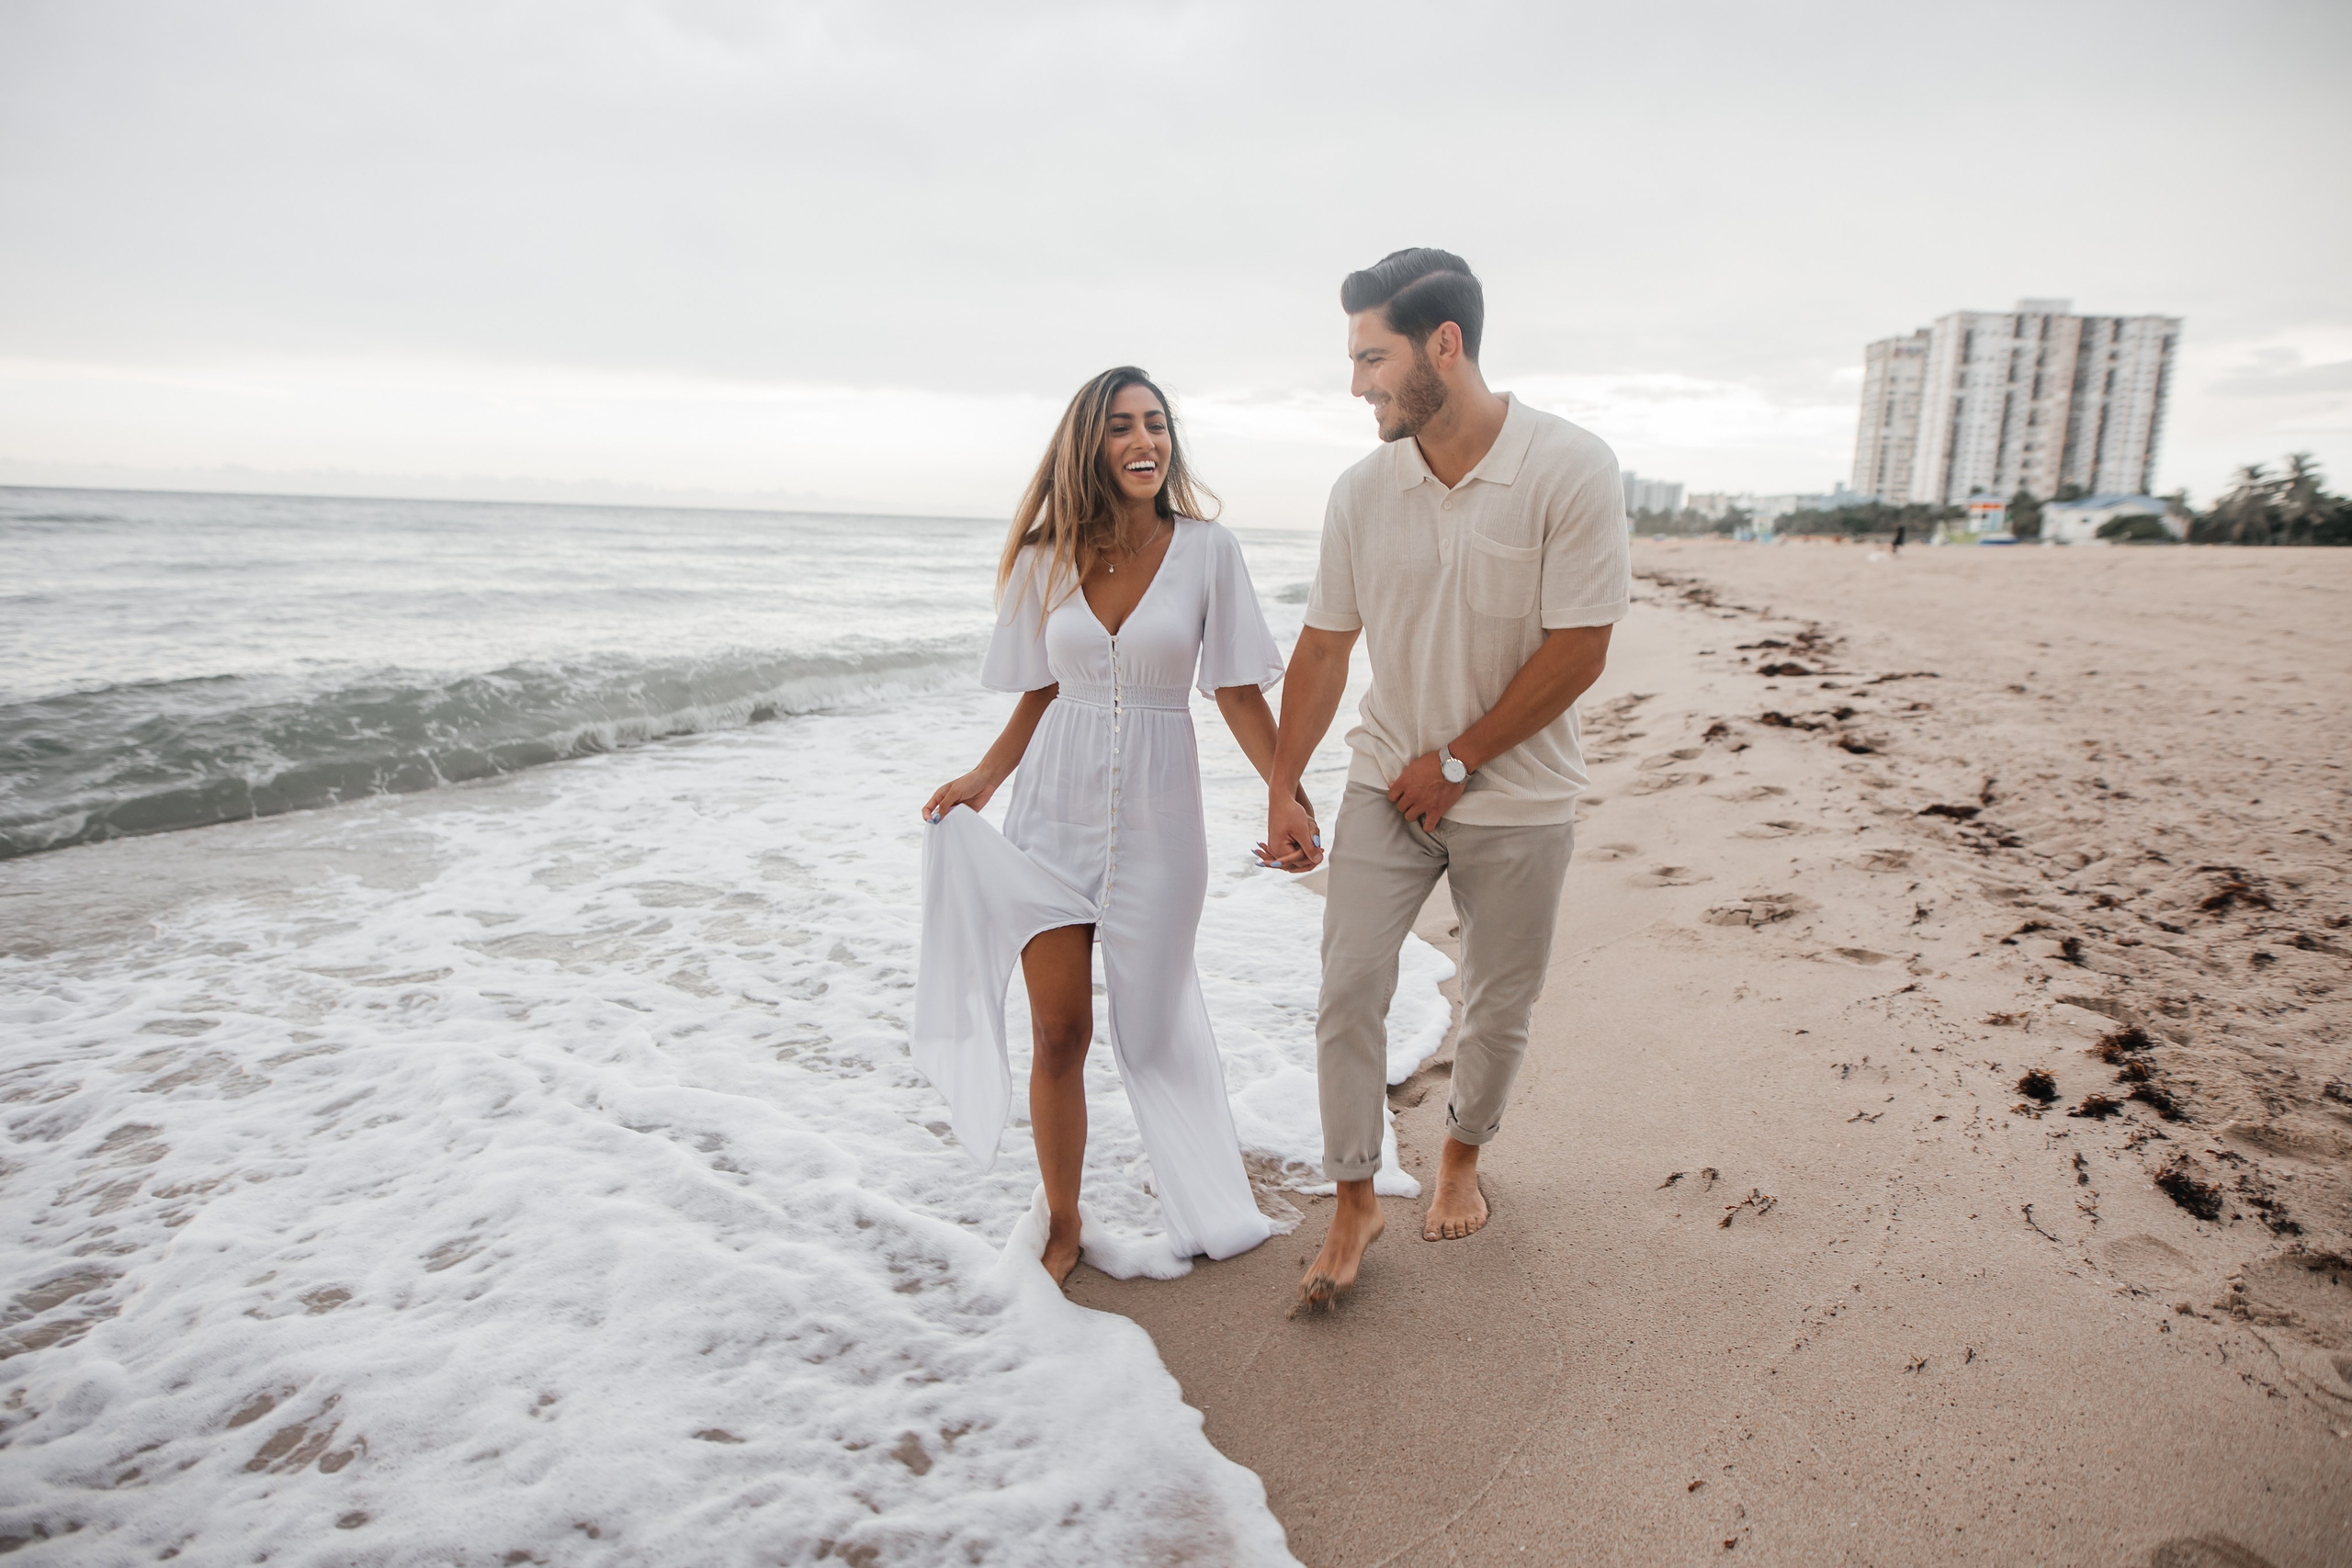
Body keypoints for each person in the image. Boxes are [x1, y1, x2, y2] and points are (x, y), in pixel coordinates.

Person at [1261, 250, 1631, 1310]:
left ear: (1444, 347)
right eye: (1351, 360)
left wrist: (1462, 759)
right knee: (1347, 988)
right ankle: (1353, 1193)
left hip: (1517, 797)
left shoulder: (1570, 466)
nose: (1357, 385)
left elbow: (1579, 648)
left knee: (1499, 1001)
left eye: (1371, 357)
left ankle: (1462, 1155)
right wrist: (1283, 785)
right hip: (1387, 784)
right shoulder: (1361, 491)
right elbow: (1324, 649)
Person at [913, 366, 1307, 1286]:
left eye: (1157, 425)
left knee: (1155, 1028)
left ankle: (1204, 1201)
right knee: (1059, 1035)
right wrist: (983, 776)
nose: (1145, 441)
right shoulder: (1046, 558)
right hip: (1048, 816)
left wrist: (1283, 792)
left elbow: (1239, 690)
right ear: (1089, 442)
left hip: (1165, 828)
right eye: (1123, 426)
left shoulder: (1209, 550)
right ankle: (1061, 1222)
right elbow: (1041, 692)